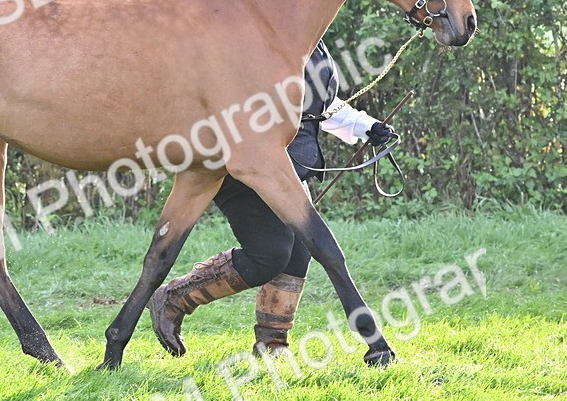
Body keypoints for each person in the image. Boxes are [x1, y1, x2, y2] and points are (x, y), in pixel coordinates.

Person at [148, 41, 397, 356]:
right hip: (243, 164)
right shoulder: (256, 39)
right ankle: (173, 298)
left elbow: (319, 105)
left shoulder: (311, 40)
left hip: (286, 169)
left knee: (299, 251)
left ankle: (271, 344)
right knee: (271, 253)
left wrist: (368, 127)